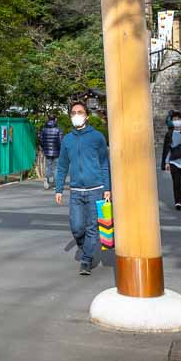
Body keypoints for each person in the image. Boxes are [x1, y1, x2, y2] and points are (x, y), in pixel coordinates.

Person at [54, 101, 111, 276]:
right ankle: (85, 246)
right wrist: (58, 189)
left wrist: (107, 188)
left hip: (96, 189)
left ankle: (86, 260)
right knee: (77, 227)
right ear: (70, 115)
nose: (77, 115)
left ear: (86, 115)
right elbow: (62, 165)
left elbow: (104, 164)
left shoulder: (97, 137)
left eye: (80, 112)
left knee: (92, 227)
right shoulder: (67, 139)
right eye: (73, 113)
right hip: (76, 191)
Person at [39, 115, 63, 190]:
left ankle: (46, 179)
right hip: (57, 152)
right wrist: (60, 149)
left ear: (48, 119)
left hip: (47, 151)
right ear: (55, 119)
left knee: (48, 167)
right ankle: (56, 184)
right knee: (56, 167)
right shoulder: (58, 130)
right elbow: (60, 142)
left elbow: (41, 140)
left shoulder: (44, 130)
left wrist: (44, 148)